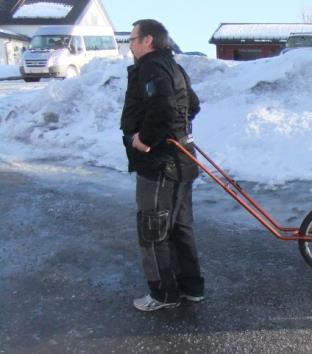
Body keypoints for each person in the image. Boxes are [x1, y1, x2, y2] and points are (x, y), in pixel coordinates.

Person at [120, 19, 204, 312]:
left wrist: (145, 138)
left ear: (148, 41)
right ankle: (191, 288)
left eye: (132, 39)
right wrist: (177, 132)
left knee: (153, 229)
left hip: (159, 164)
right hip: (182, 159)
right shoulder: (173, 66)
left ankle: (163, 294)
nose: (130, 44)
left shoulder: (151, 68)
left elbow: (165, 105)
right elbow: (191, 105)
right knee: (179, 227)